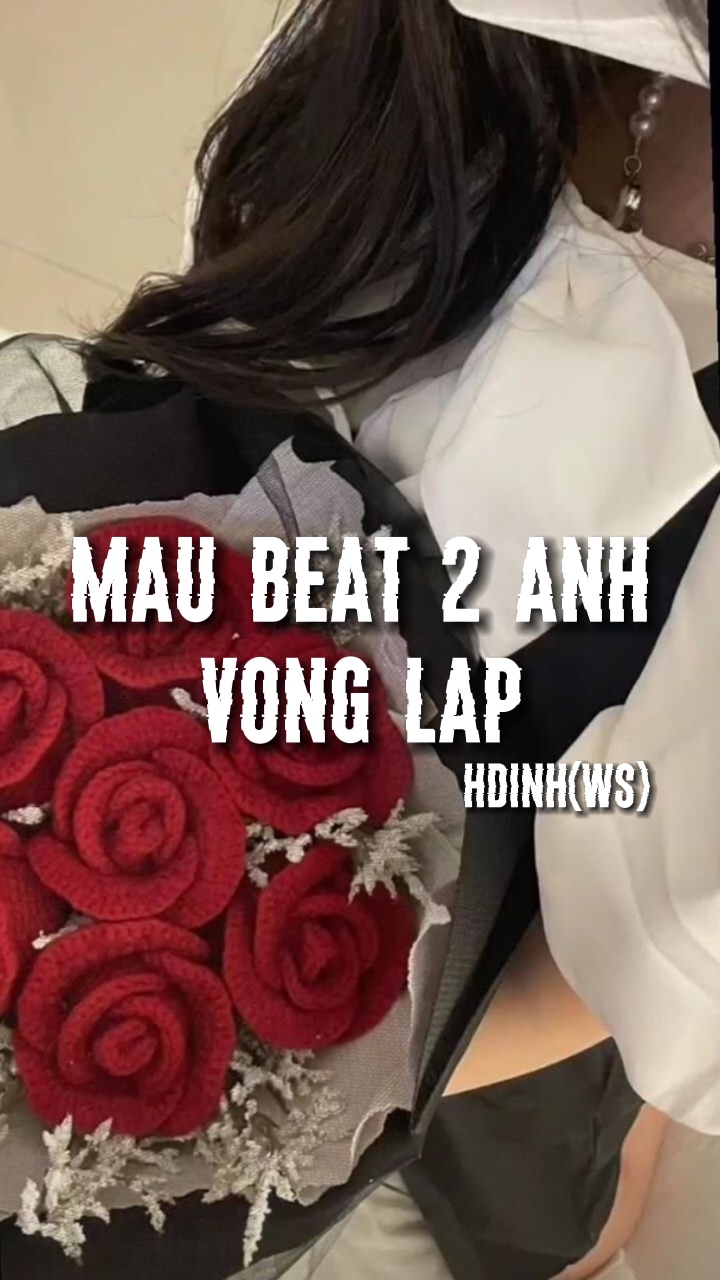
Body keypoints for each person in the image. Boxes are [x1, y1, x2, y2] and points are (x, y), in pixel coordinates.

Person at [0, 2, 716, 1279]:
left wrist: (286, 1087)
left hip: (536, 926)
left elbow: (642, 945)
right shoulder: (443, 54)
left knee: (540, 1185)